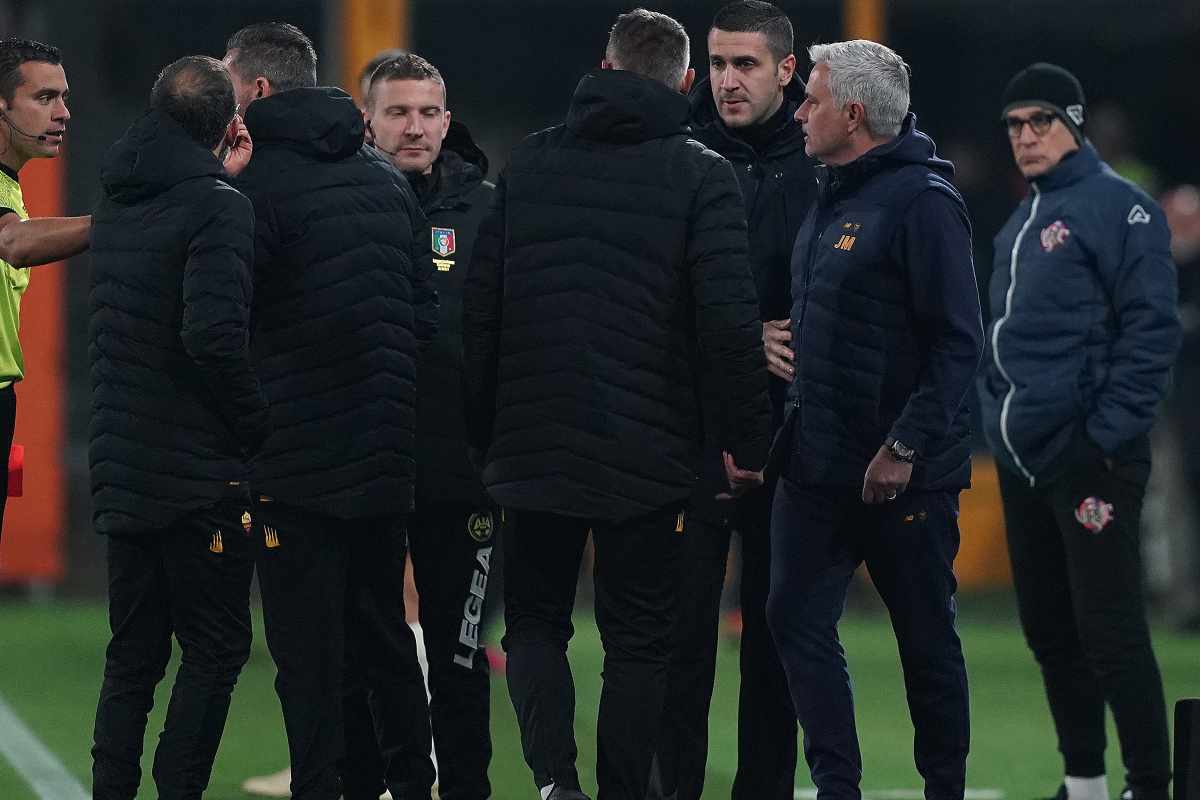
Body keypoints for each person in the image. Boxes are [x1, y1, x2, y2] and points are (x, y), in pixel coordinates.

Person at [463, 9, 771, 800]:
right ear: (688, 81)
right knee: (639, 642)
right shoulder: (702, 174)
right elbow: (728, 325)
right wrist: (747, 443)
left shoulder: (530, 162)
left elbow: (481, 309)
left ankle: (553, 781)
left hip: (533, 442)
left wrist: (482, 429)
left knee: (534, 623)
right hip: (650, 451)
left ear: (604, 68)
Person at [223, 22, 437, 800]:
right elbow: (423, 315)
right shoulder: (384, 180)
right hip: (383, 455)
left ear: (258, 89)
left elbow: (225, 325)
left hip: (292, 462)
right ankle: (410, 784)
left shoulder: (249, 187)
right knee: (384, 637)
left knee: (307, 657)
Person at [768, 40, 982, 800]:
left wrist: (904, 446)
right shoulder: (832, 192)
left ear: (853, 114)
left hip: (902, 475)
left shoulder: (924, 203)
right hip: (818, 464)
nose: (800, 112)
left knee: (925, 641)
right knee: (793, 618)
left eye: (813, 99)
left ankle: (943, 790)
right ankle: (839, 788)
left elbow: (958, 342)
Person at [978, 63, 1180, 800]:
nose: (1025, 136)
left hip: (1090, 459)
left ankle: (1149, 786)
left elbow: (1152, 333)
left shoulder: (1122, 208)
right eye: (1014, 125)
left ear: (1074, 123)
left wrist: (1103, 437)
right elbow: (1002, 340)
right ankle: (1085, 784)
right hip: (1025, 459)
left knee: (1111, 630)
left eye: (1041, 121)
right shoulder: (1019, 222)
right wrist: (994, 416)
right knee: (1050, 632)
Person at [88, 54, 267, 799]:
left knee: (133, 654)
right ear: (230, 123)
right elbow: (213, 338)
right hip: (197, 471)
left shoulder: (117, 194)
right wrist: (257, 425)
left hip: (123, 460)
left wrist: (217, 176)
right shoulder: (220, 207)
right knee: (216, 648)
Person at [653, 3, 808, 797]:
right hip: (692, 431)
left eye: (745, 64)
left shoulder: (824, 159)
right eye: (716, 63)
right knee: (680, 637)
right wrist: (746, 336)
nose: (727, 81)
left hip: (793, 434)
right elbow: (642, 290)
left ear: (787, 70)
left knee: (777, 640)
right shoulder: (675, 155)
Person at [351, 52, 496, 800]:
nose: (415, 127)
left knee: (460, 659)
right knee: (367, 654)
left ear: (447, 120)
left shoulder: (490, 212)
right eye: (398, 112)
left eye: (428, 112)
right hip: (362, 472)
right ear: (366, 120)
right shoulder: (339, 205)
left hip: (461, 475)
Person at [0, 38, 91, 538]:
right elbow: (13, 242)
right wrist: (123, 222)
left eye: (64, 97)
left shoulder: (10, 185)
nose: (63, 113)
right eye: (44, 98)